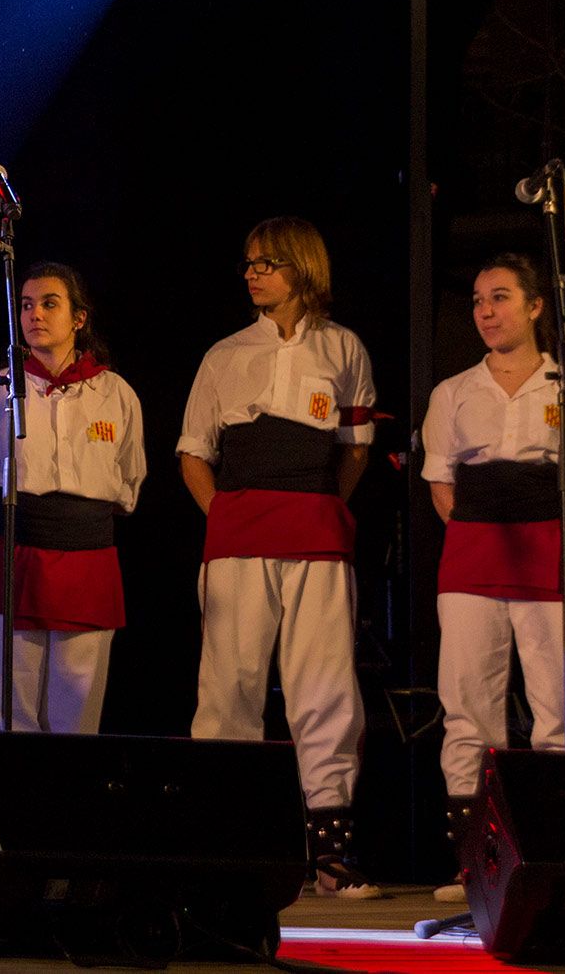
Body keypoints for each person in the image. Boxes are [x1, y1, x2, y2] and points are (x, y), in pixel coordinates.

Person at [176, 216, 380, 899]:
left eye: (265, 262)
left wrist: (322, 506)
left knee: (324, 688)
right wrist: (226, 515)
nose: (251, 273)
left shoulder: (344, 348)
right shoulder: (224, 354)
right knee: (228, 687)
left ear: (301, 267)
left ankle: (329, 857)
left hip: (316, 534)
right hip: (238, 538)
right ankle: (222, 842)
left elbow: (355, 448)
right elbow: (192, 452)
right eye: (248, 263)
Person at [420, 252, 565, 901]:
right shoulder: (454, 392)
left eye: (499, 297)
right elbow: (442, 485)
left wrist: (552, 532)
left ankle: (564, 853)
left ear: (534, 306)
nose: (485, 312)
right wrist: (484, 531)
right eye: (477, 300)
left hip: (552, 560)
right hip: (474, 561)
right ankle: (478, 862)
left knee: (560, 710)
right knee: (468, 711)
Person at [0, 262, 145, 733]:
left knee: (76, 719)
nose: (35, 314)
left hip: (86, 562)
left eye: (49, 303)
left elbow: (127, 484)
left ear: (79, 318)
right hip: (9, 558)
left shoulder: (115, 394)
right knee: (8, 717)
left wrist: (69, 524)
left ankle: (67, 808)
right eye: (27, 305)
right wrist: (21, 526)